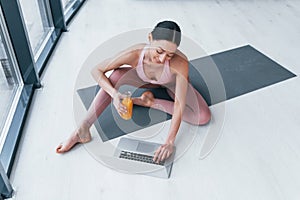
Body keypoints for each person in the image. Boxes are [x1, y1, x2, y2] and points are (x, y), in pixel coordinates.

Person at [56, 20, 211, 162]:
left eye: (170, 54)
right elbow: (96, 70)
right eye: (159, 51)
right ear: (150, 38)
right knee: (116, 75)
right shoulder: (135, 54)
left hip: (170, 85)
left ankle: (149, 102)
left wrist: (169, 141)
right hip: (144, 81)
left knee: (204, 117)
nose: (163, 59)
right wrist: (115, 95)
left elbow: (179, 103)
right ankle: (82, 130)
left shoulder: (180, 63)